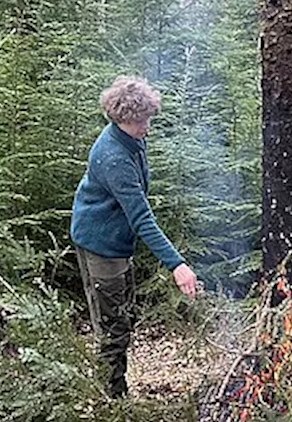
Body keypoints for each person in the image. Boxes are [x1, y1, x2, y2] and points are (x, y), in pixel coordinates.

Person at [71, 76, 199, 397]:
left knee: (124, 316)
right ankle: (110, 400)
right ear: (123, 119)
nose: (148, 126)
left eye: (149, 118)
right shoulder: (113, 156)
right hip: (100, 245)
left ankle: (114, 389)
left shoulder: (132, 141)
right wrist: (177, 265)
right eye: (142, 121)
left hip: (117, 240)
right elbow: (141, 217)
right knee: (112, 328)